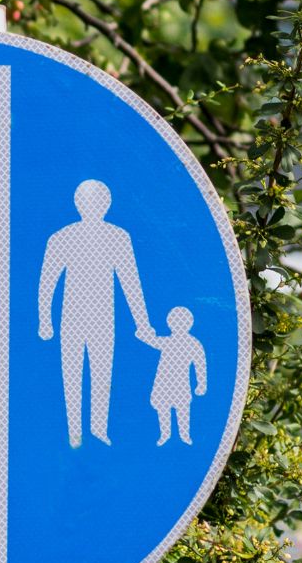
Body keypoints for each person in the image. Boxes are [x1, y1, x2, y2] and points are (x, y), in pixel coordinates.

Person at [38, 179, 154, 447]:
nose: (93, 206)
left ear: (107, 205)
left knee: (102, 373)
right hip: (72, 318)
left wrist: (143, 323)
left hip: (103, 318)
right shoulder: (62, 237)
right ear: (78, 204)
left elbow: (131, 283)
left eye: (98, 201)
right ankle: (74, 432)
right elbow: (47, 282)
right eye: (88, 201)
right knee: (72, 374)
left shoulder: (118, 237)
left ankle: (100, 429)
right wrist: (45, 319)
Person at [142, 306, 207, 445]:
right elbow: (153, 341)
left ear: (189, 323)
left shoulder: (193, 344)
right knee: (163, 407)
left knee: (183, 408)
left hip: (181, 383)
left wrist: (201, 384)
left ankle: (185, 436)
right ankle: (165, 434)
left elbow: (200, 365)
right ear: (169, 323)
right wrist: (144, 335)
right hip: (164, 382)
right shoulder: (168, 341)